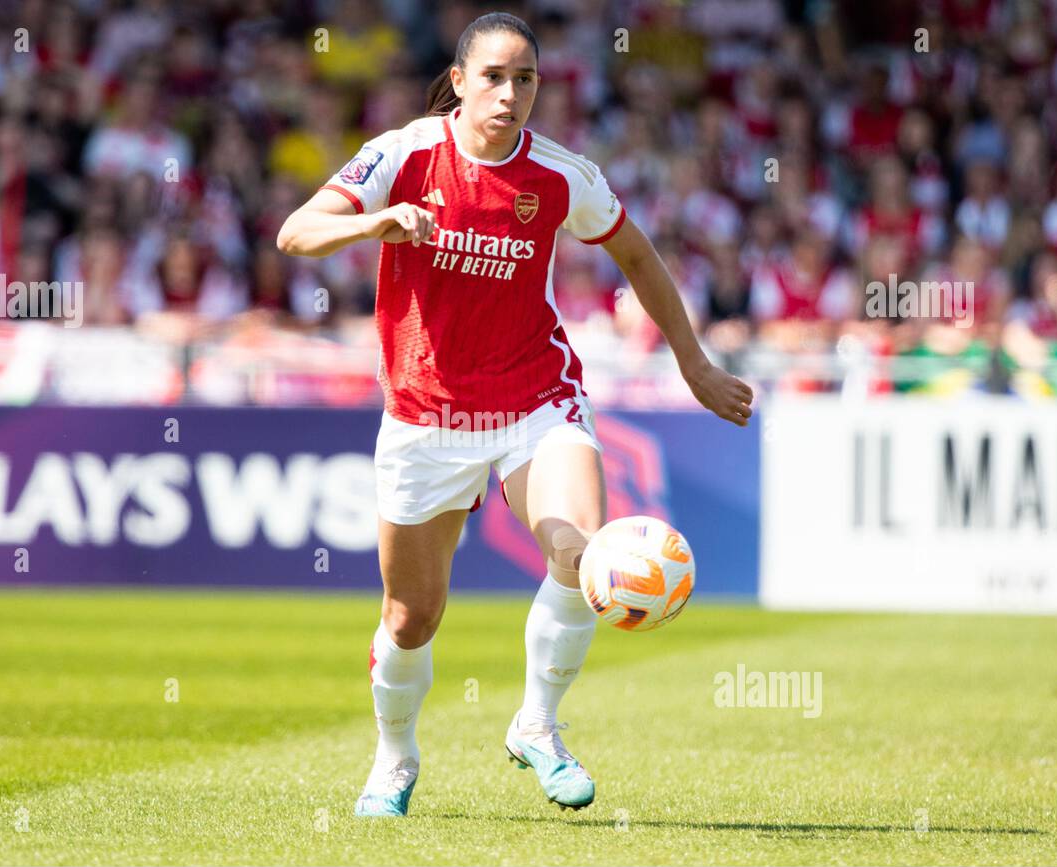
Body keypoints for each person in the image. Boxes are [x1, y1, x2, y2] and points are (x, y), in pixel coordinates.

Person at [276, 11, 753, 817]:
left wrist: (693, 362)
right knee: (410, 617)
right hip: (426, 414)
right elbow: (296, 233)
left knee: (578, 553)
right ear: (458, 82)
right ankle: (394, 761)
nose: (509, 93)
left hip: (537, 397)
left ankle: (539, 722)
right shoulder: (404, 153)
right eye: (493, 76)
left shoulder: (562, 176)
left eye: (525, 79)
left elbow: (636, 253)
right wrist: (377, 221)